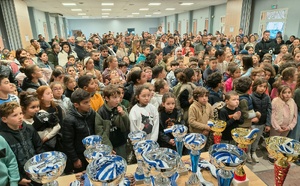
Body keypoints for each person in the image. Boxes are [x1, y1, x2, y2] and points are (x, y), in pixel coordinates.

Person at [62, 88, 111, 173]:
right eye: (85, 103)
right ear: (76, 105)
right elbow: (67, 142)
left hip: (94, 152)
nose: (89, 104)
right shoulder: (69, 120)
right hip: (80, 155)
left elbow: (99, 130)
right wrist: (75, 159)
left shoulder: (91, 113)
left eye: (89, 101)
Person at [0, 102, 44, 186]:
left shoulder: (29, 128)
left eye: (21, 113)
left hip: (36, 172)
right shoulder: (2, 137)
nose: (20, 117)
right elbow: (7, 162)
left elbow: (39, 147)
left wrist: (42, 167)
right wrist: (18, 178)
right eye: (14, 115)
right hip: (20, 177)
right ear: (4, 119)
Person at [97, 84, 130, 159]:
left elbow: (127, 125)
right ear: (107, 98)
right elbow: (100, 132)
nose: (118, 100)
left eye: (118, 97)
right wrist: (108, 147)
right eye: (114, 97)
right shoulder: (101, 112)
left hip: (121, 142)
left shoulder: (121, 108)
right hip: (109, 144)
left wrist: (123, 114)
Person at [249, 78, 271, 163]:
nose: (262, 88)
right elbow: (250, 110)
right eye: (260, 86)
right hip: (253, 123)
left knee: (257, 138)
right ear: (255, 86)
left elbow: (269, 110)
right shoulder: (251, 97)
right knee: (250, 138)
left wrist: (268, 123)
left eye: (264, 87)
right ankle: (248, 153)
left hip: (262, 122)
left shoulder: (267, 97)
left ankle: (253, 152)